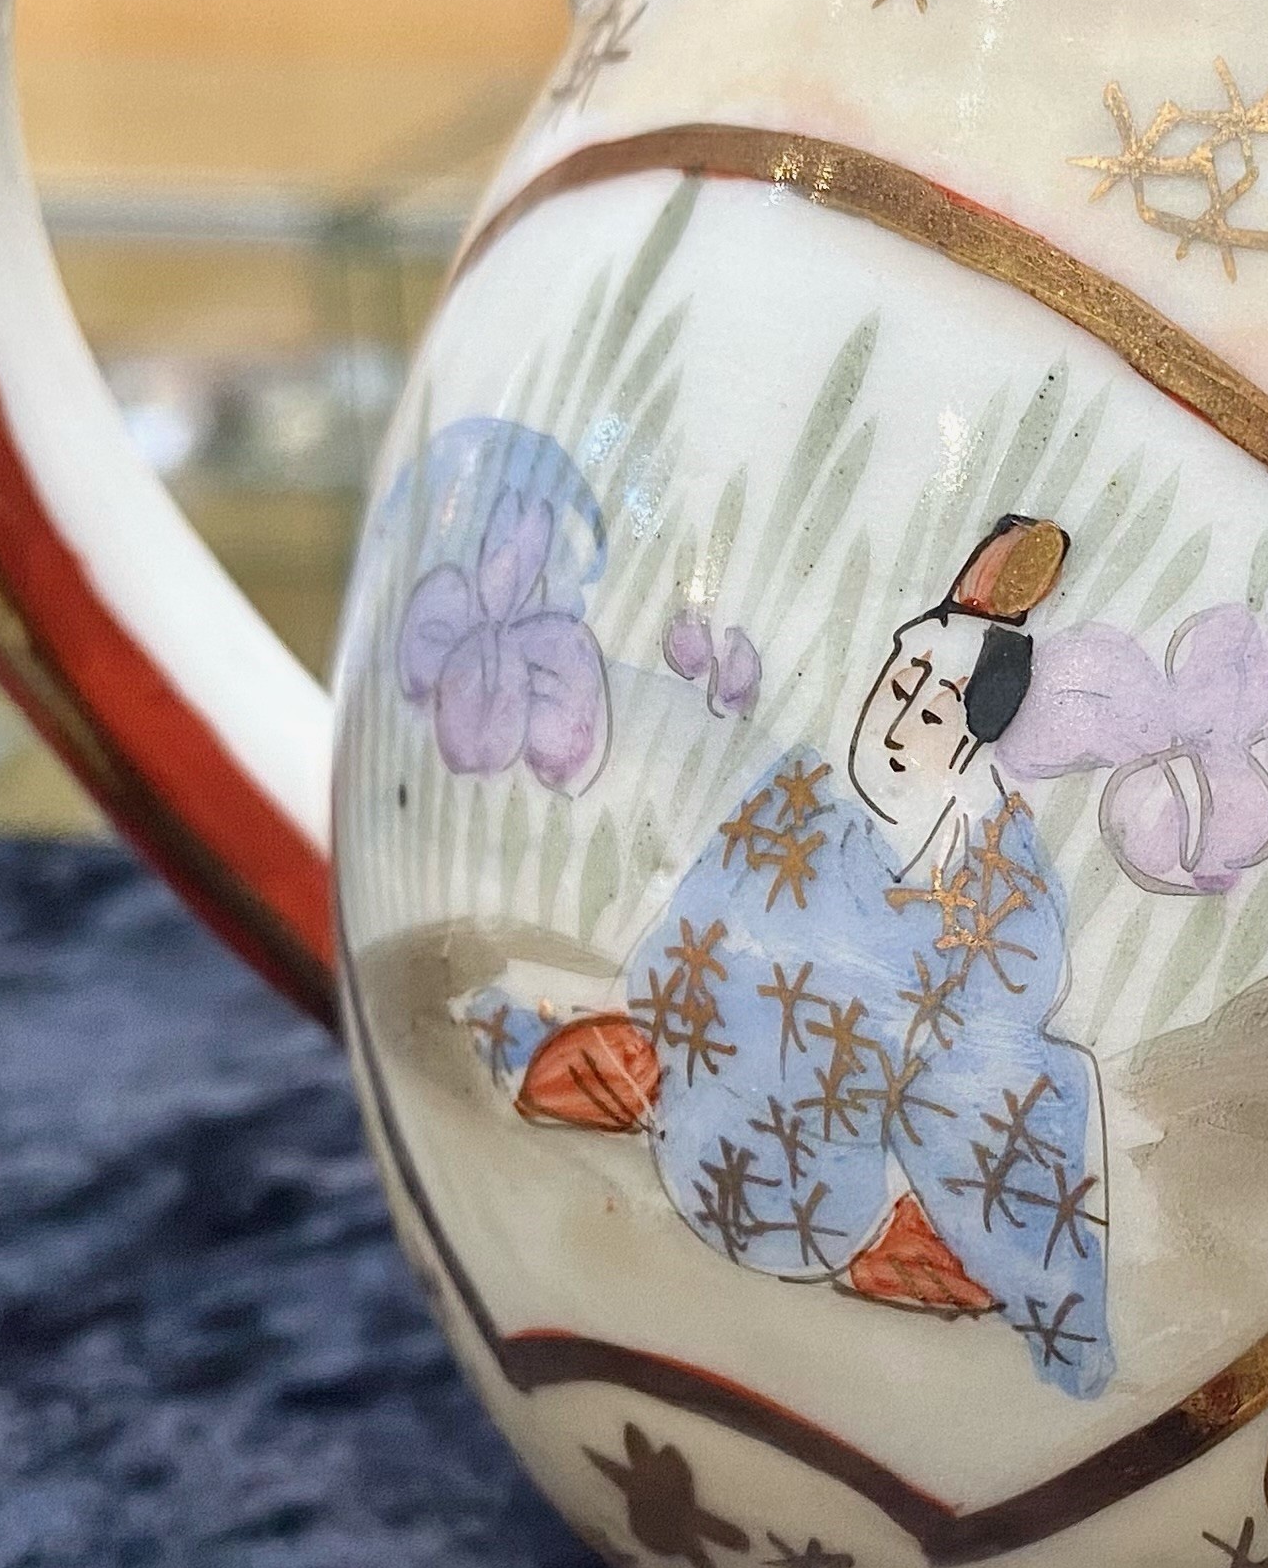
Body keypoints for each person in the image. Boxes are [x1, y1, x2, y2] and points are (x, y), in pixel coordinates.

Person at [465, 516, 1114, 1397]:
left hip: (869, 1137)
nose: (892, 725)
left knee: (996, 1093)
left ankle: (893, 1227)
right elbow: (700, 931)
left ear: (971, 742)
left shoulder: (1002, 879)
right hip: (717, 1123)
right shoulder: (802, 799)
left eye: (928, 712)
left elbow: (994, 1042)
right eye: (896, 686)